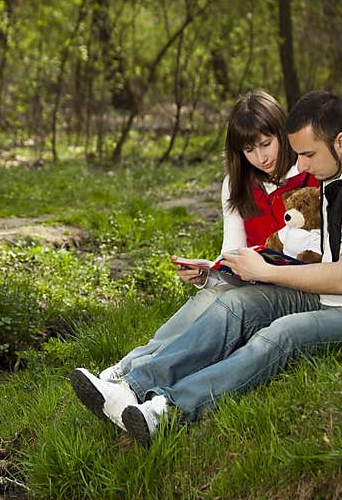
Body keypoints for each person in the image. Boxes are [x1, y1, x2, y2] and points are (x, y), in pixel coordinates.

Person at [70, 90, 342, 445]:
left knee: (279, 335)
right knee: (234, 305)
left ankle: (166, 410)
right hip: (333, 294)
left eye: (309, 155)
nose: (302, 166)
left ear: (341, 142)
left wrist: (266, 271)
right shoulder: (338, 170)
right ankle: (130, 386)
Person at [78, 90, 318, 430]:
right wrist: (208, 271)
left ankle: (131, 376)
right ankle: (127, 371)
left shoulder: (309, 175)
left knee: (226, 303)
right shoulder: (236, 184)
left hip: (293, 283)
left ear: (281, 133)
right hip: (253, 277)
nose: (260, 156)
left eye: (266, 143)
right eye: (249, 150)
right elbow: (232, 251)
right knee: (209, 294)